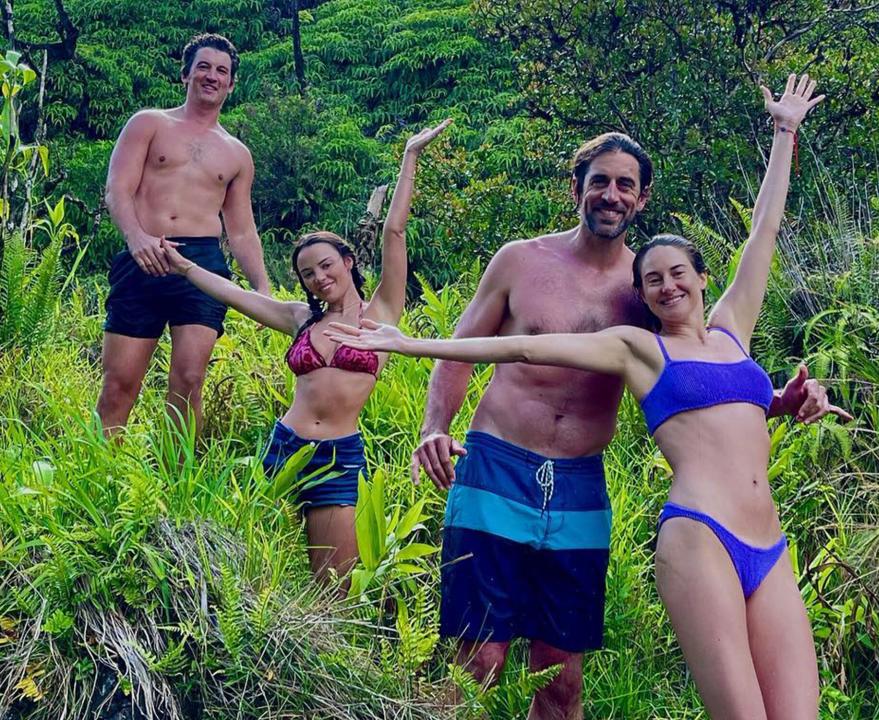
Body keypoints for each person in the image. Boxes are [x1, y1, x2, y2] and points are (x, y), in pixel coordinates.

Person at [328, 77, 849, 719]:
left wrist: (777, 400)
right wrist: (434, 420)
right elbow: (485, 347)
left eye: (625, 184)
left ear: (642, 198)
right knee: (478, 664)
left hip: (579, 484)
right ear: (577, 189)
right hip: (498, 463)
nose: (611, 194)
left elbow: (701, 375)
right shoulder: (522, 261)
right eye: (599, 181)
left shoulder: (644, 291)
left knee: (562, 681)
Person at [160, 120, 451, 581]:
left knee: (332, 581)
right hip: (283, 445)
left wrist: (410, 157)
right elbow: (234, 294)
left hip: (337, 454)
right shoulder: (301, 318)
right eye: (308, 273)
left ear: (348, 263)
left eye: (326, 265)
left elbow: (394, 233)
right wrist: (183, 267)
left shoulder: (381, 314)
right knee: (251, 570)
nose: (319, 278)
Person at [96, 33, 271, 438]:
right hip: (144, 255)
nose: (212, 76)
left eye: (221, 71)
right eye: (204, 67)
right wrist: (136, 237)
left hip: (202, 265)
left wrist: (261, 286)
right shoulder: (149, 123)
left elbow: (241, 229)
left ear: (232, 84)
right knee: (120, 383)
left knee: (189, 379)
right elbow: (117, 190)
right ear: (186, 74)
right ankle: (103, 477)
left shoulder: (237, 153)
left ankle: (178, 485)